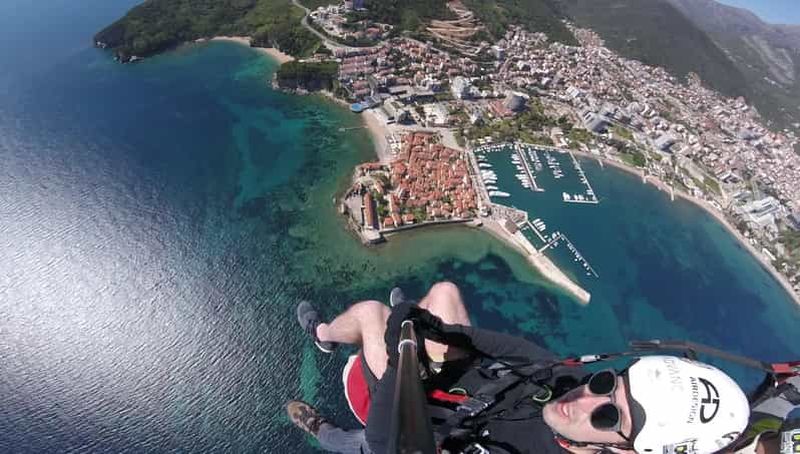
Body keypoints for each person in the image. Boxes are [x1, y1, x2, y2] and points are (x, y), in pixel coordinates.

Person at [287, 282, 751, 454]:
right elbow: (518, 352)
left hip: (404, 421)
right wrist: (430, 326)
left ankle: (323, 351)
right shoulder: (572, 385)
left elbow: (391, 443)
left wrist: (399, 353)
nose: (584, 400)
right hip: (458, 394)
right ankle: (418, 312)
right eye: (606, 383)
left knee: (370, 314)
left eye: (609, 416)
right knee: (444, 294)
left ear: (628, 451)